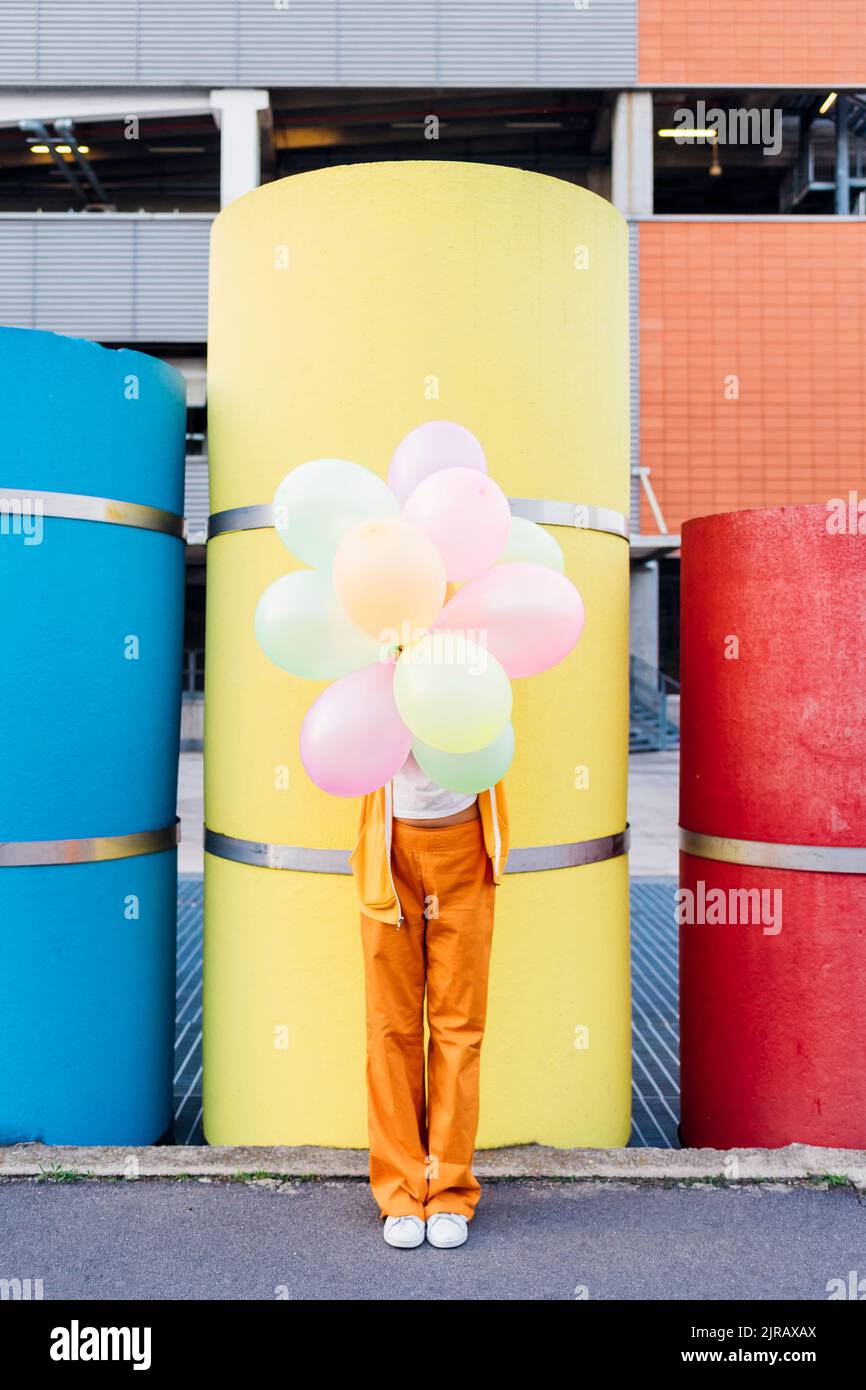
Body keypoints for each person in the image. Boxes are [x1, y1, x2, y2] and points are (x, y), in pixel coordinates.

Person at [349, 748, 509, 1249]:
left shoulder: (475, 666)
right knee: (389, 1028)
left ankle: (449, 1192)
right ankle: (400, 1192)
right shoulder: (372, 668)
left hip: (463, 846)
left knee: (458, 1030)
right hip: (389, 848)